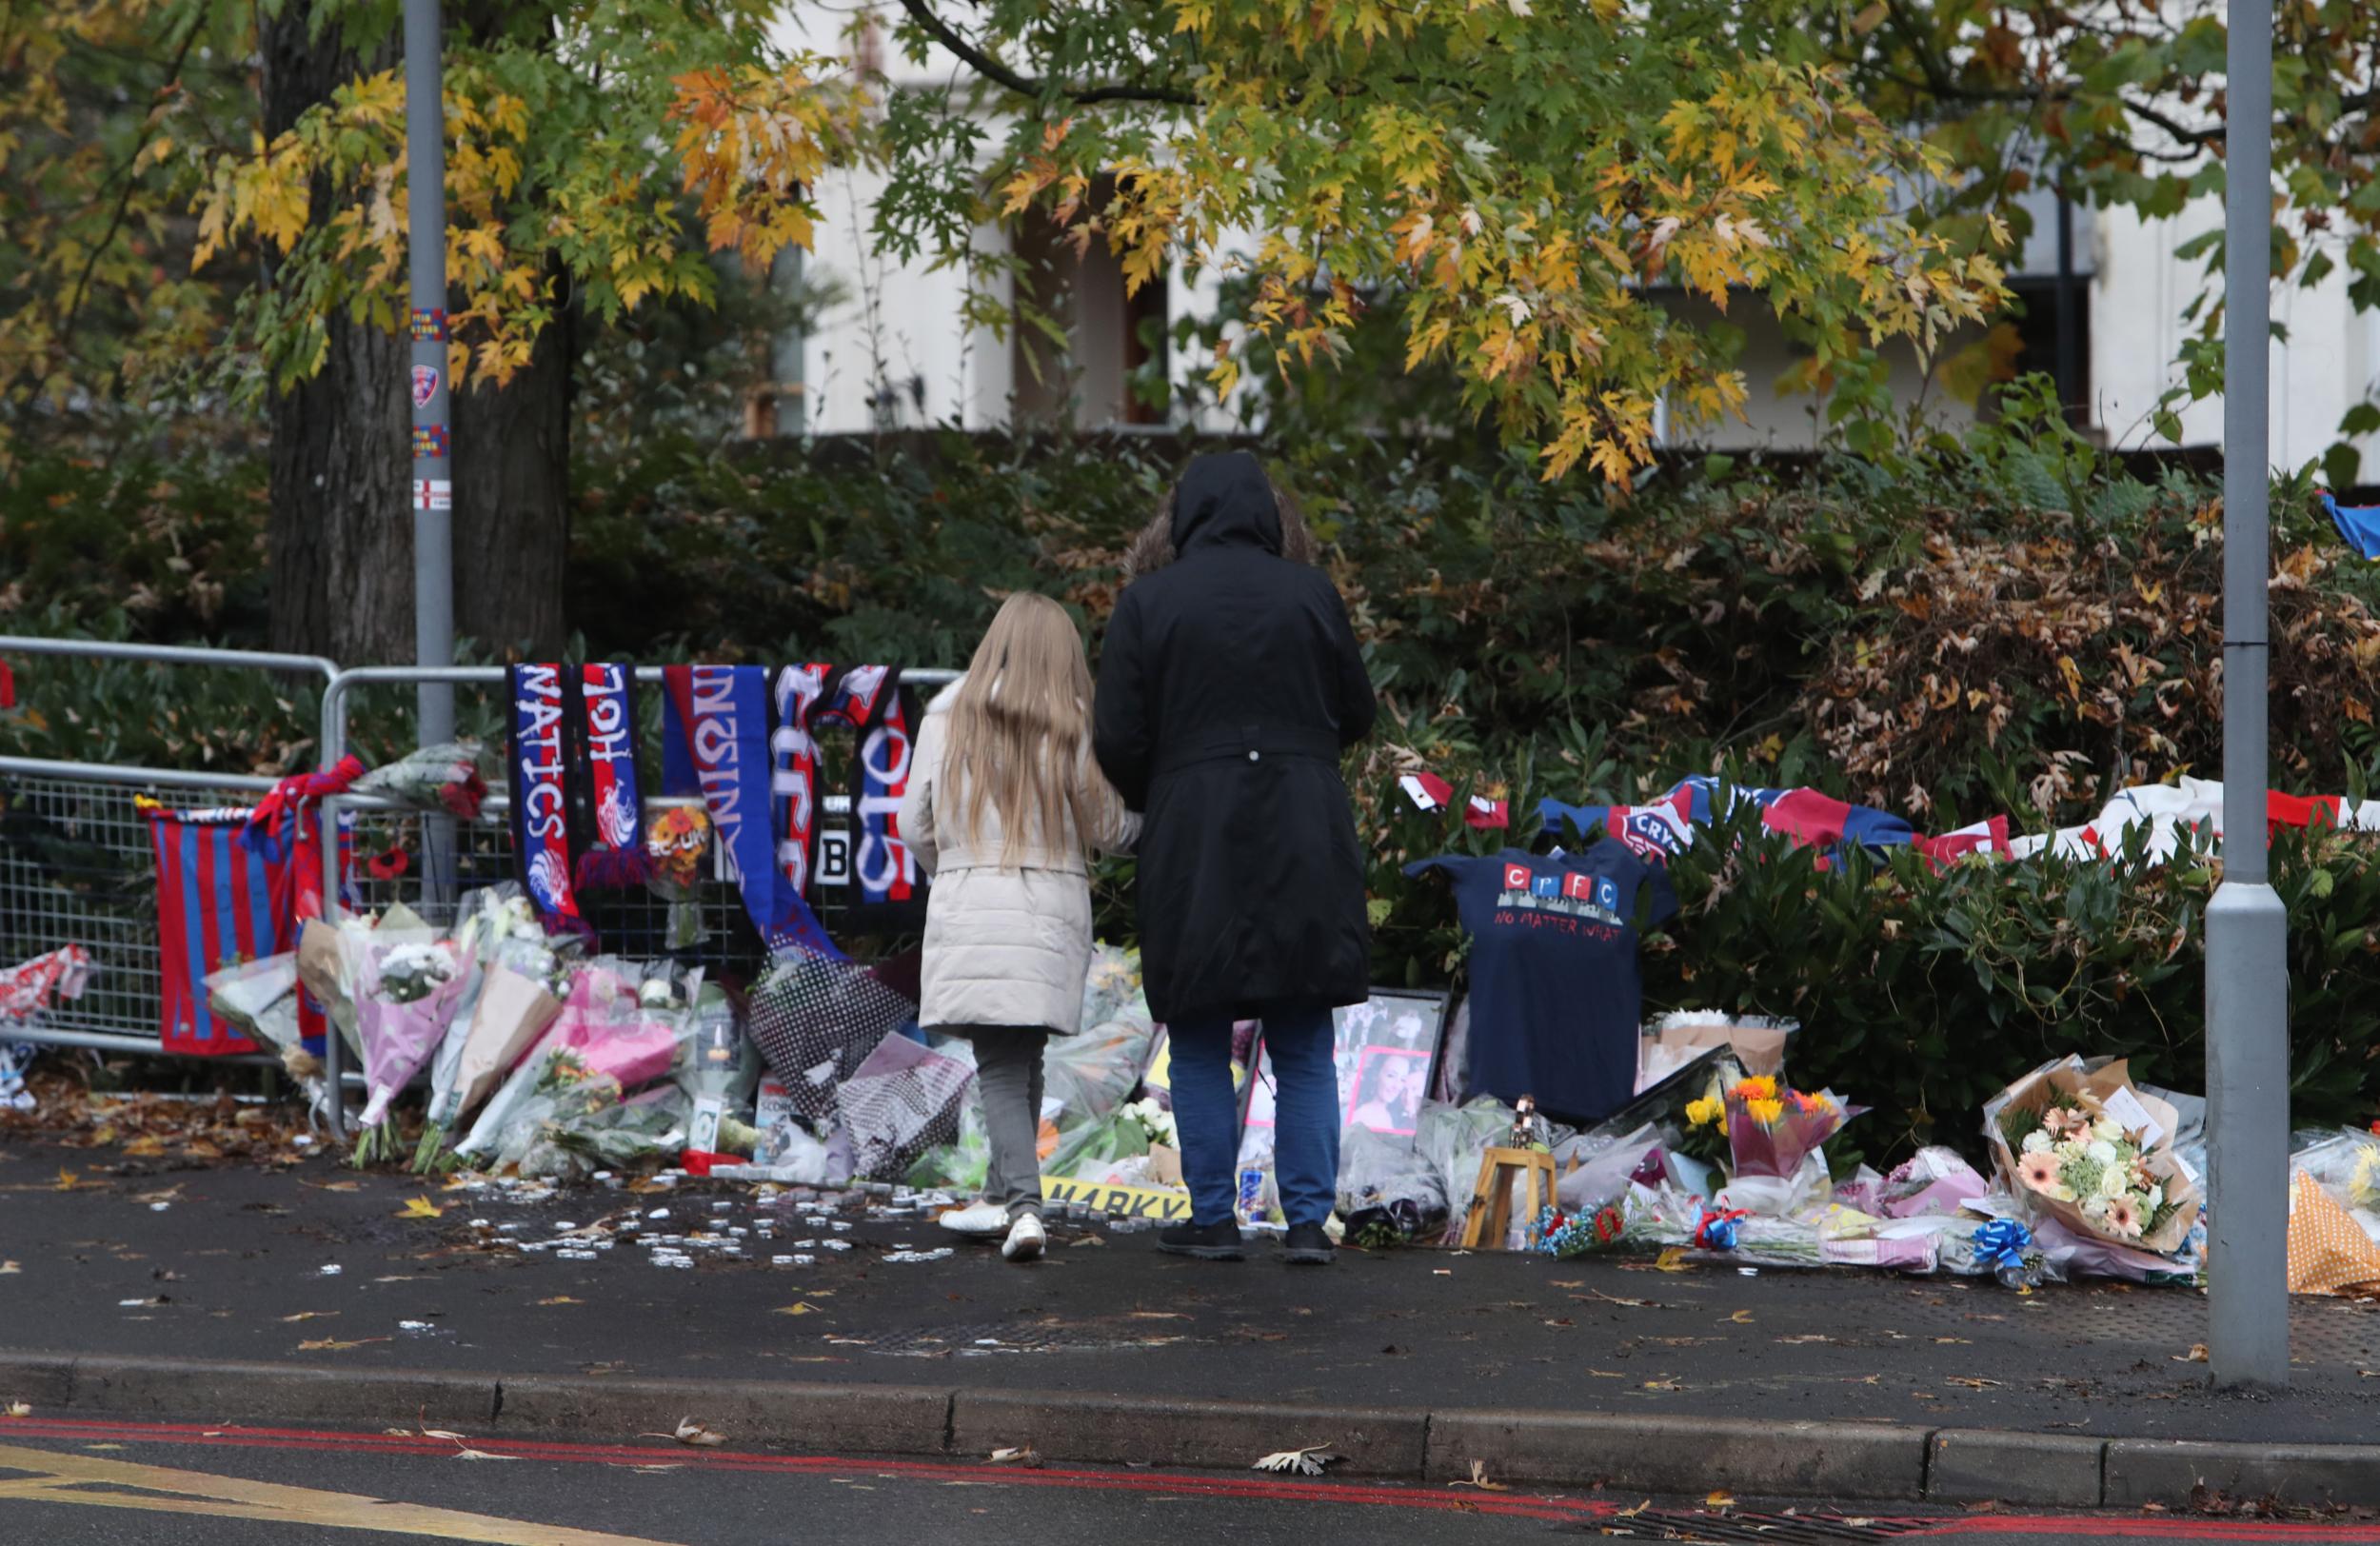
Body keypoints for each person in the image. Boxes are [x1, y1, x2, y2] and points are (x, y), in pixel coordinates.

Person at [1094, 450, 1377, 1266]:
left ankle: (1213, 1219)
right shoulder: (1311, 594)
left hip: (1193, 833)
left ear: (1183, 519)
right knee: (1303, 1035)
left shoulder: (1148, 602)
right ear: (1267, 514)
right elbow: (1356, 711)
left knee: (1197, 1035)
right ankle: (1306, 1223)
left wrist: (1175, 777)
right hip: (1303, 824)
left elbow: (1117, 735)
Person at [903, 593, 1139, 1263]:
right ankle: (1006, 1198)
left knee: (1003, 1062)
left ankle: (1020, 1207)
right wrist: (1159, 819)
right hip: (1049, 907)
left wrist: (950, 868)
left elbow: (911, 825)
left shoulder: (947, 714)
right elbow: (1108, 828)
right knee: (1017, 1056)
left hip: (970, 897)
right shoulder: (1072, 724)